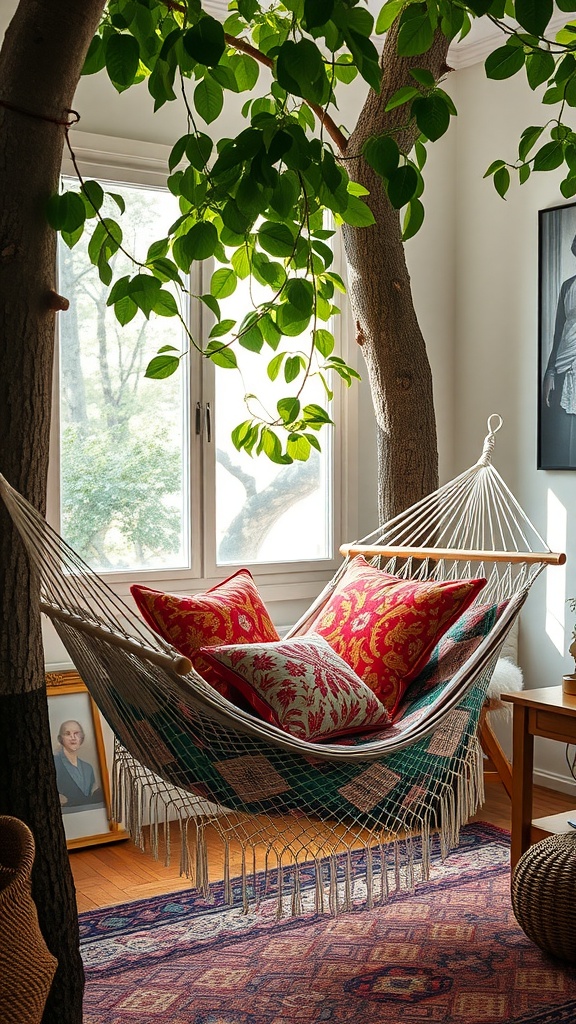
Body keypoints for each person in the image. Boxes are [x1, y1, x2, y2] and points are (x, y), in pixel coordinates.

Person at [541, 233, 576, 468]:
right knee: (563, 432)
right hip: (564, 361)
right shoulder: (568, 286)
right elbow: (558, 331)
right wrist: (550, 372)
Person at [53, 720, 103, 810]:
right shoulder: (54, 762)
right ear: (61, 739)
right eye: (67, 734)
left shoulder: (88, 768)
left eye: (76, 733)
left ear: (82, 738)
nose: (73, 737)